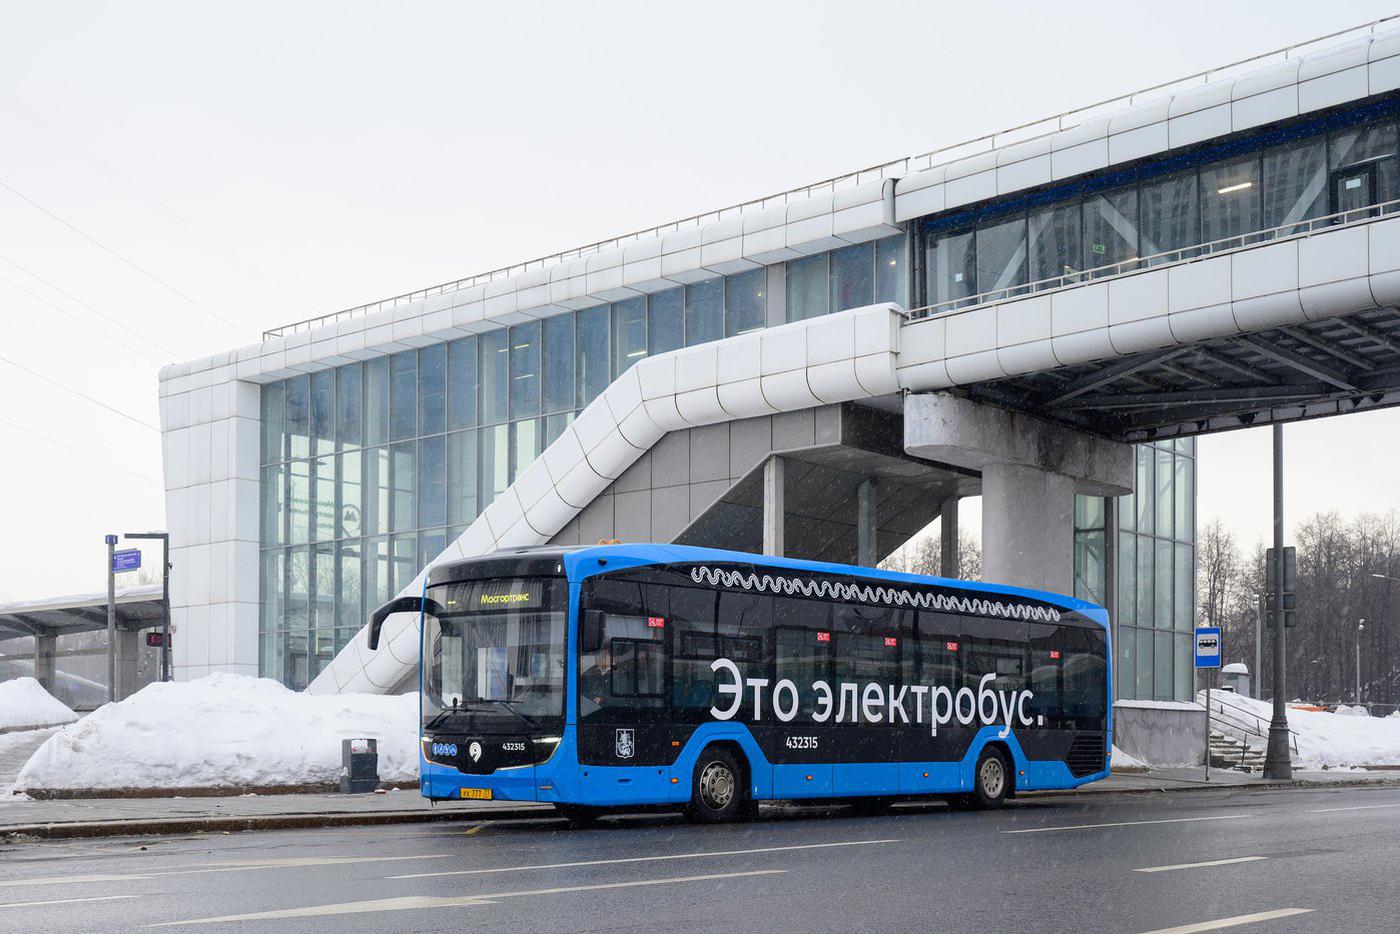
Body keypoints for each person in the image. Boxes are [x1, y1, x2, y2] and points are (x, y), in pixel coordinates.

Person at [578, 645, 612, 714]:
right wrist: (591, 698)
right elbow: (581, 689)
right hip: (589, 709)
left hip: (609, 711)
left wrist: (601, 699)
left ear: (611, 658)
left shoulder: (617, 674)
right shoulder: (590, 672)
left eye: (604, 655)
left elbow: (618, 697)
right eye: (599, 655)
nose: (600, 657)